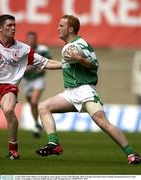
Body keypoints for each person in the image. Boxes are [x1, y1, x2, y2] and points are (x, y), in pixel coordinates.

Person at [36, 14, 141, 164]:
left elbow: (93, 64)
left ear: (70, 29)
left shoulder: (76, 46)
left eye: (61, 26)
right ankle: (54, 144)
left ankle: (132, 154)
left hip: (85, 91)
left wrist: (80, 59)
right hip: (71, 93)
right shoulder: (74, 45)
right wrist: (41, 62)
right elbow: (62, 64)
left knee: (102, 122)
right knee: (43, 107)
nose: (58, 28)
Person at [0, 14, 61, 160]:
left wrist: (67, 65)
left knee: (8, 109)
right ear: (0, 28)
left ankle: (13, 149)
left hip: (8, 86)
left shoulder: (23, 49)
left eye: (14, 25)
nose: (13, 28)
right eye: (9, 25)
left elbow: (45, 62)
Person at [22, 31, 52, 138]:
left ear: (36, 39)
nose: (31, 41)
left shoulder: (43, 49)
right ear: (27, 39)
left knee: (34, 101)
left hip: (38, 79)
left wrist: (37, 68)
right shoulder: (22, 50)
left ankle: (38, 124)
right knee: (31, 103)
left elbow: (47, 62)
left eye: (33, 39)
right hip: (27, 80)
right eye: (29, 39)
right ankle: (36, 124)